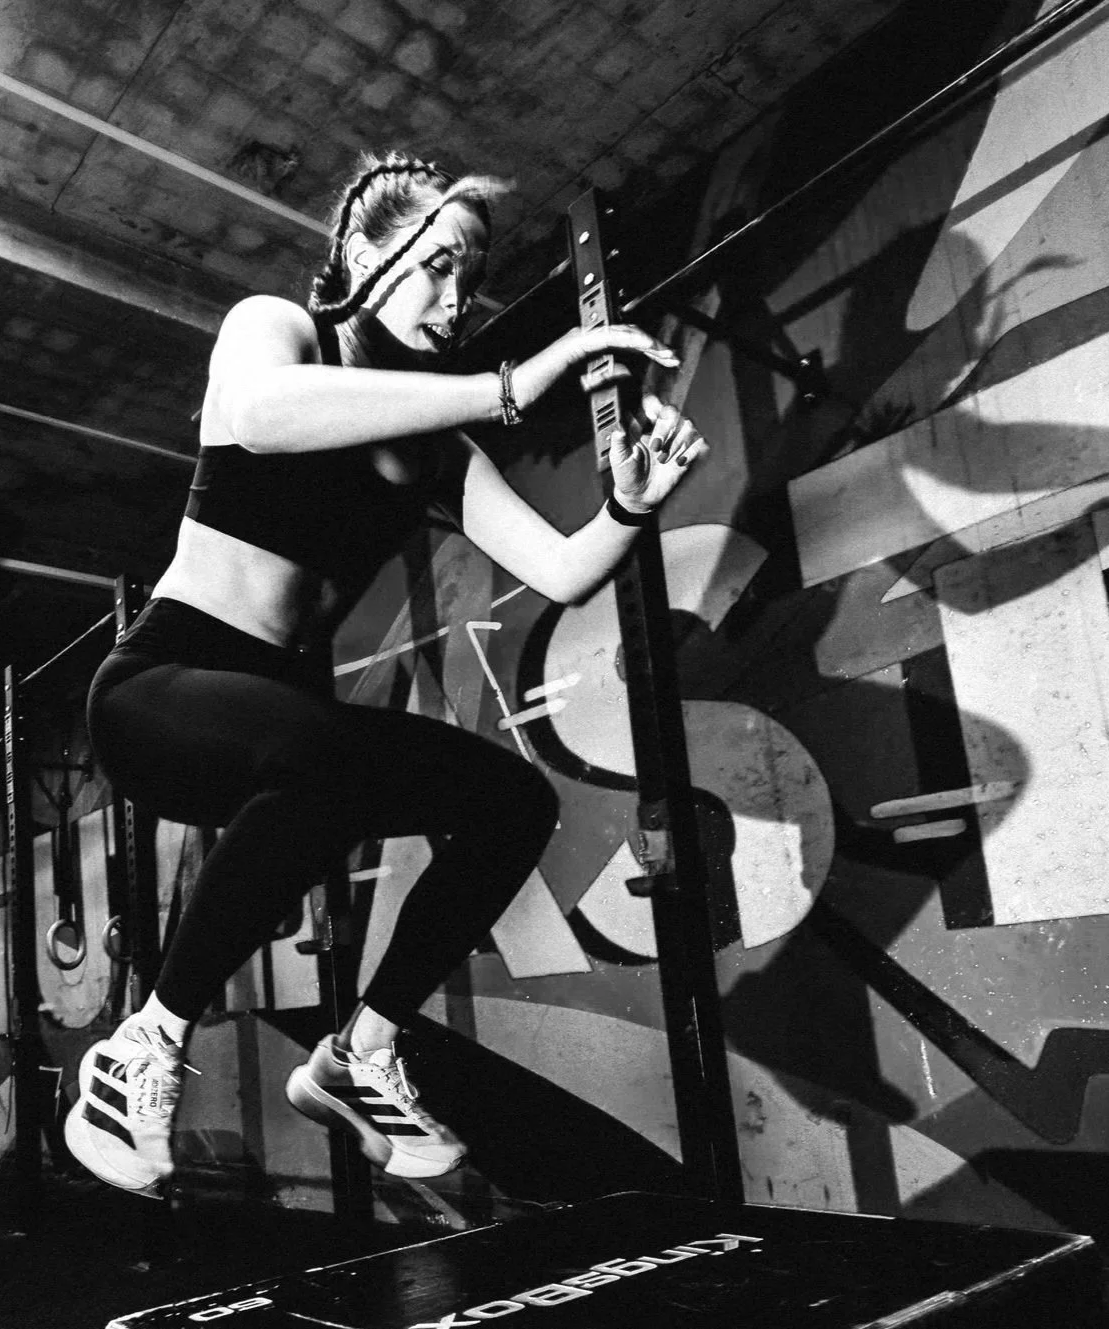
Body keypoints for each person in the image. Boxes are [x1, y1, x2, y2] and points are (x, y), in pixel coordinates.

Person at [66, 151, 709, 1198]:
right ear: (362, 255)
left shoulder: (439, 450)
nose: (456, 303)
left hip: (286, 736)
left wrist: (630, 507)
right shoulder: (277, 330)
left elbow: (560, 569)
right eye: (437, 268)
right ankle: (144, 1043)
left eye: (471, 282)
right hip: (164, 691)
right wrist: (509, 385)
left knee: (508, 799)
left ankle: (358, 1053)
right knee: (316, 747)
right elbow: (264, 415)